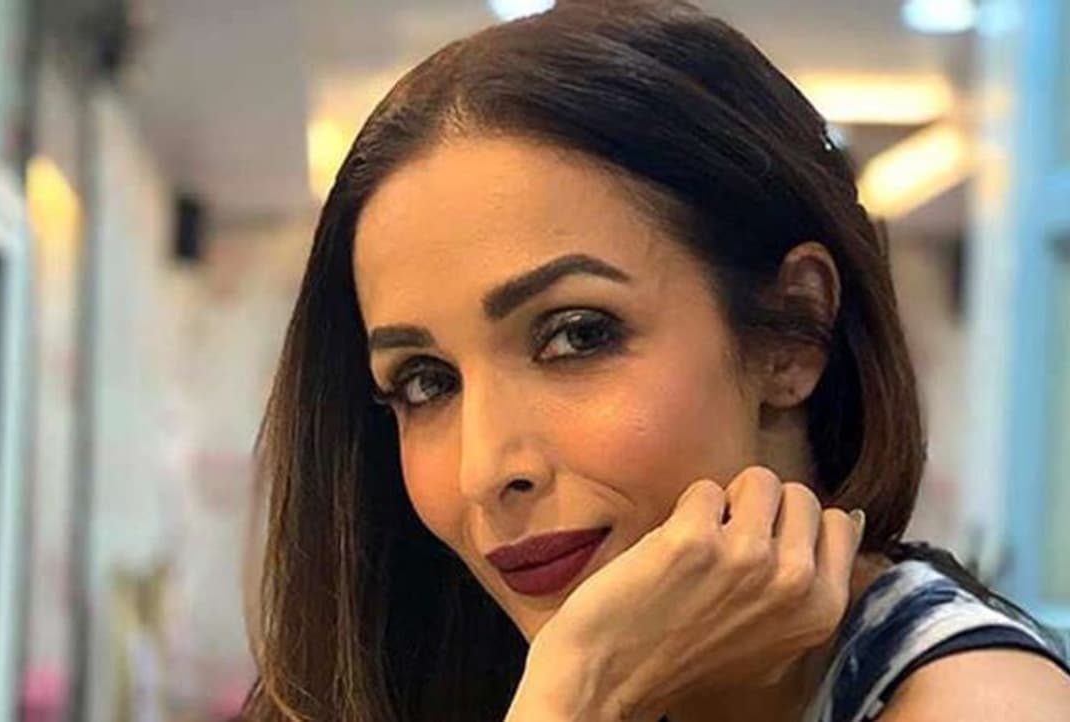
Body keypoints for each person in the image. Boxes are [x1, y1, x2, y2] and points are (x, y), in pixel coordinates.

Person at [240, 2, 1070, 720]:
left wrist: (579, 692)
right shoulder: (447, 663)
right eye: (426, 382)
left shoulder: (979, 701)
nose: (484, 469)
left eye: (575, 335)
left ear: (792, 333)